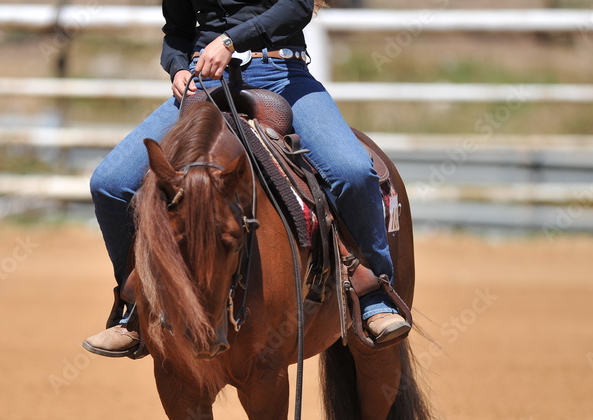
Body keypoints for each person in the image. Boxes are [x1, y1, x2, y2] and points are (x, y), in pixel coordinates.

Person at [83, 0, 410, 357]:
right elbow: (176, 31)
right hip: (204, 81)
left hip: (282, 74)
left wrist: (230, 41)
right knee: (110, 184)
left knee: (352, 172)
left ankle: (375, 294)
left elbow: (297, 6)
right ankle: (136, 303)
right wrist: (177, 68)